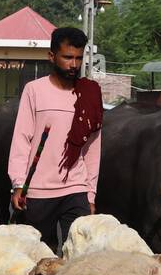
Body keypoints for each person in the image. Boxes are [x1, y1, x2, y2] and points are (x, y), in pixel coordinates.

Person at [7, 26, 103, 250]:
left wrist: (90, 194)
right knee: (42, 257)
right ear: (51, 56)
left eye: (79, 58)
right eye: (68, 57)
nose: (74, 64)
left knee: (79, 256)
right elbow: (21, 139)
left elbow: (92, 149)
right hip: (38, 191)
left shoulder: (90, 94)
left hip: (76, 189)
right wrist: (18, 184)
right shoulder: (34, 90)